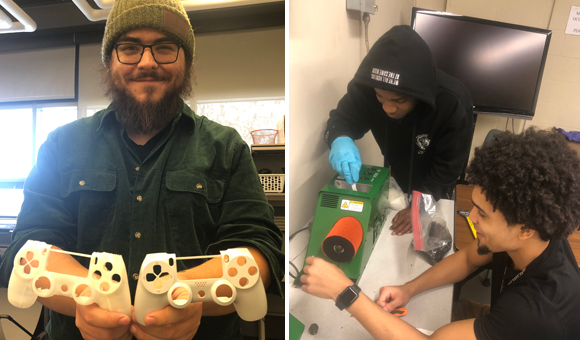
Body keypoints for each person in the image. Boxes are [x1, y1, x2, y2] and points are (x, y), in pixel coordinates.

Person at [0, 0, 284, 339]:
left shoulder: (227, 147)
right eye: (130, 48)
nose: (146, 62)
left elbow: (260, 250)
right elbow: (28, 249)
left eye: (165, 47)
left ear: (187, 61)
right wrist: (83, 301)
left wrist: (190, 299)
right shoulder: (61, 145)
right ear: (109, 60)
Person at [301, 128, 580, 340]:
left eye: (483, 214)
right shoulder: (537, 234)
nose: (471, 218)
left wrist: (344, 293)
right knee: (440, 311)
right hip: (501, 315)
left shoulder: (533, 311)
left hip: (516, 325)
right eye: (475, 207)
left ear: (525, 229)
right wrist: (407, 289)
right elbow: (471, 257)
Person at [325, 25, 473, 236]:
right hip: (397, 179)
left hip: (435, 185)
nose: (388, 108)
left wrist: (418, 208)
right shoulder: (366, 88)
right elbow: (341, 119)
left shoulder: (453, 103)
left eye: (400, 100)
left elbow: (447, 171)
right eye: (380, 98)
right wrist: (340, 139)